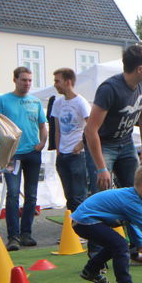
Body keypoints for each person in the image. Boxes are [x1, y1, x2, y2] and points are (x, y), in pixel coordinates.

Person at [84, 45, 142, 191]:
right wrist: (101, 168)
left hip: (126, 141)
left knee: (135, 190)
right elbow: (90, 130)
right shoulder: (109, 89)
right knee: (102, 191)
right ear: (139, 69)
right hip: (103, 144)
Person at [0, 67, 47, 251]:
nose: (27, 83)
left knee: (31, 195)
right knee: (13, 194)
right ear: (15, 80)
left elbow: (42, 124)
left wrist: (42, 143)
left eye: (30, 80)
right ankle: (13, 237)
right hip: (13, 154)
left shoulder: (35, 101)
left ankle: (26, 234)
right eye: (24, 80)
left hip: (32, 153)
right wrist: (2, 148)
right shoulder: (3, 100)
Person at [51, 68, 90, 212]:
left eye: (57, 81)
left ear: (68, 82)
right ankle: (72, 222)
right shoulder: (58, 103)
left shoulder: (81, 102)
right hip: (63, 154)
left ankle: (82, 222)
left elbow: (92, 126)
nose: (55, 84)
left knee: (79, 194)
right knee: (69, 196)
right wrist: (58, 151)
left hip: (77, 155)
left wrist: (81, 145)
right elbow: (57, 130)